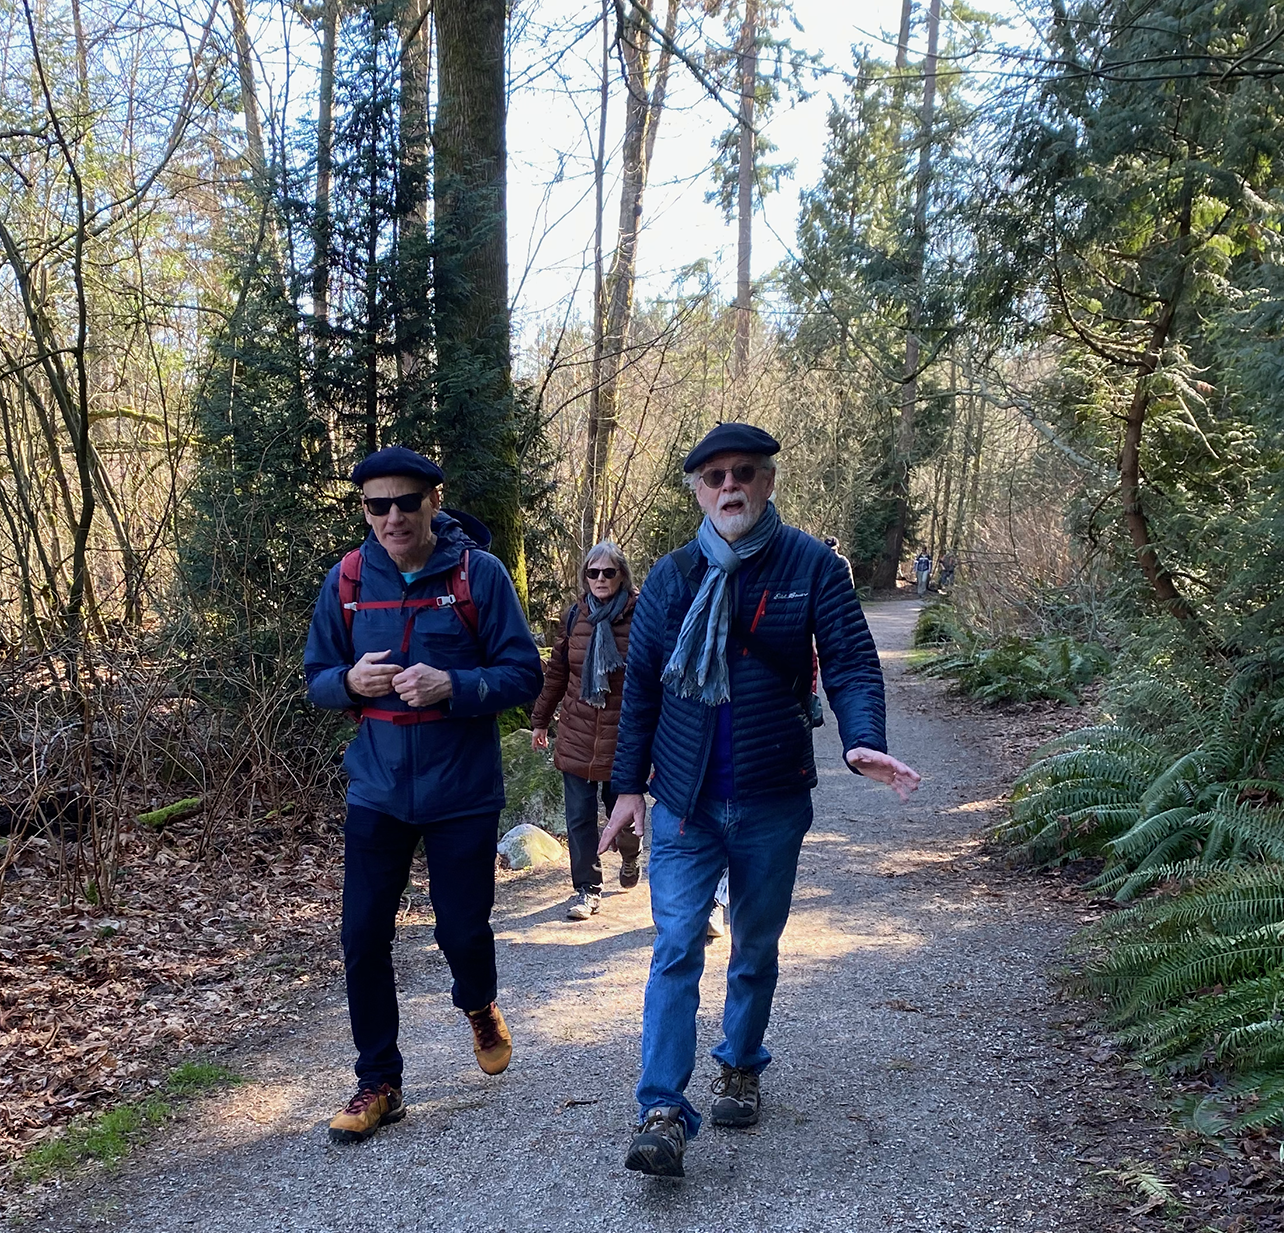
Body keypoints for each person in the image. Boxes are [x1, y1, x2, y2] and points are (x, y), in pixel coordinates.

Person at [599, 422, 921, 1178]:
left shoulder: (812, 566)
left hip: (773, 796)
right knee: (676, 945)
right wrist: (625, 789)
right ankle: (661, 1110)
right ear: (699, 492)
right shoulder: (674, 578)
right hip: (684, 802)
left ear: (769, 481)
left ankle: (740, 1062)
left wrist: (859, 737)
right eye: (714, 478)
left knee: (755, 943)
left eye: (745, 472)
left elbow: (848, 661)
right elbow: (640, 686)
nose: (730, 486)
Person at [303, 446, 544, 1143]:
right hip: (376, 789)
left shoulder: (479, 575)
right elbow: (317, 675)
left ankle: (478, 1003)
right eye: (378, 504)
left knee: (461, 931)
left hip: (461, 790)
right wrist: (350, 683)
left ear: (434, 502)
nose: (393, 516)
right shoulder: (348, 580)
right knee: (361, 936)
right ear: (364, 510)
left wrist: (455, 686)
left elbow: (523, 674)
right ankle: (379, 1080)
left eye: (407, 501)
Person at [530, 542, 642, 919]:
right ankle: (587, 889)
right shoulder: (575, 617)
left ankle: (630, 855)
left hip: (622, 736)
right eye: (593, 573)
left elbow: (653, 680)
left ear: (622, 576)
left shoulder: (641, 615)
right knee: (578, 818)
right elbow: (558, 673)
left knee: (620, 814)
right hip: (577, 732)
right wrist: (540, 720)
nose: (600, 579)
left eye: (608, 572)